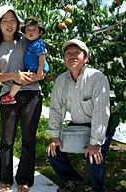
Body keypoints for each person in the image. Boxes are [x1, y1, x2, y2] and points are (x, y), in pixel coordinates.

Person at [0, 5, 43, 192]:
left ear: (18, 22)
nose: (9, 24)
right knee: (7, 138)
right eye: (5, 20)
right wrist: (14, 76)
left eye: (12, 20)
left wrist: (35, 75)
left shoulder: (27, 40)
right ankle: (5, 178)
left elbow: (40, 62)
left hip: (32, 92)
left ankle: (25, 179)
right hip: (9, 95)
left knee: (28, 138)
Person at [46, 39, 111, 192]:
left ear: (86, 58)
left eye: (77, 53)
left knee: (94, 157)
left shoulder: (97, 77)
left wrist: (95, 143)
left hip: (98, 125)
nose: (72, 56)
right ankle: (71, 180)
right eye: (68, 53)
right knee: (53, 152)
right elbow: (56, 108)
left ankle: (96, 187)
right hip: (76, 125)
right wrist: (55, 136)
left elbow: (101, 112)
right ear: (64, 59)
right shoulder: (61, 80)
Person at [0, 16, 49, 105]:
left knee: (19, 79)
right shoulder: (29, 42)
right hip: (32, 68)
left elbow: (42, 58)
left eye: (34, 29)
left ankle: (10, 96)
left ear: (40, 32)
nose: (31, 32)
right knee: (19, 79)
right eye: (28, 30)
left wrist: (40, 71)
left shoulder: (38, 44)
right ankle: (11, 96)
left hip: (37, 69)